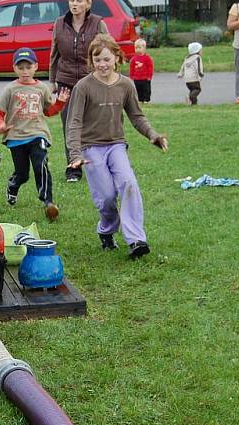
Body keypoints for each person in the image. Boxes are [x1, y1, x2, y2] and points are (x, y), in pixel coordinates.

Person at [65, 34, 168, 260]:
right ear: (91, 61)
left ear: (117, 59)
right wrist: (75, 153)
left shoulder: (125, 85)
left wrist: (153, 135)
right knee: (107, 197)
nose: (102, 64)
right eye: (97, 59)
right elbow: (74, 123)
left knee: (129, 184)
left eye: (106, 59)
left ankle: (136, 240)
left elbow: (137, 116)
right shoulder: (83, 87)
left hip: (116, 145)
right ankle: (106, 230)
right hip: (91, 148)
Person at [0, 47, 68, 222]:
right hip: (16, 137)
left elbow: (49, 111)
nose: (25, 71)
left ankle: (48, 202)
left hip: (38, 134)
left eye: (28, 67)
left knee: (41, 164)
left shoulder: (41, 88)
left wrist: (60, 102)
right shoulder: (10, 89)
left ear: (36, 67)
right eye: (21, 67)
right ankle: (13, 185)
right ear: (15, 68)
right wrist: (0, 125)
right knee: (23, 173)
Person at [49, 0, 109, 182]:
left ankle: (96, 165)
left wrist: (109, 78)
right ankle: (73, 168)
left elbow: (108, 52)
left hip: (91, 80)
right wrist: (52, 81)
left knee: (92, 124)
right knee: (69, 126)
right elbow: (54, 55)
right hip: (65, 81)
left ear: (87, 3)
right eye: (71, 0)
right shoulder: (59, 23)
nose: (74, 4)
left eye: (78, 0)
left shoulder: (98, 23)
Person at [128, 38, 153, 103]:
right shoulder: (134, 58)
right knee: (138, 89)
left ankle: (146, 100)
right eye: (136, 48)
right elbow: (132, 67)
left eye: (139, 48)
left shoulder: (147, 58)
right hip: (137, 78)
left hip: (145, 78)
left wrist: (149, 76)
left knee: (146, 89)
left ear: (144, 48)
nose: (137, 49)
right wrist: (131, 75)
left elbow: (150, 67)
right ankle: (140, 99)